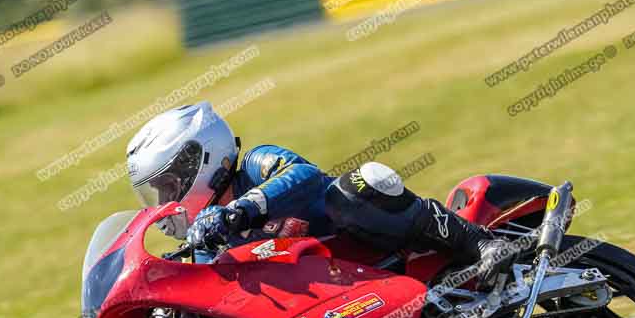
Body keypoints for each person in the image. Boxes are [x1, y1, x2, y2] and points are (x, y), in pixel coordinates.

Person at [126, 101, 510, 277]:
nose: (165, 201)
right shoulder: (212, 238)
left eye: (168, 186)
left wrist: (238, 211)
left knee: (352, 188)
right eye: (158, 192)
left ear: (200, 160)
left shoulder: (257, 163)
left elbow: (304, 175)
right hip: (342, 288)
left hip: (373, 236)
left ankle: (479, 241)